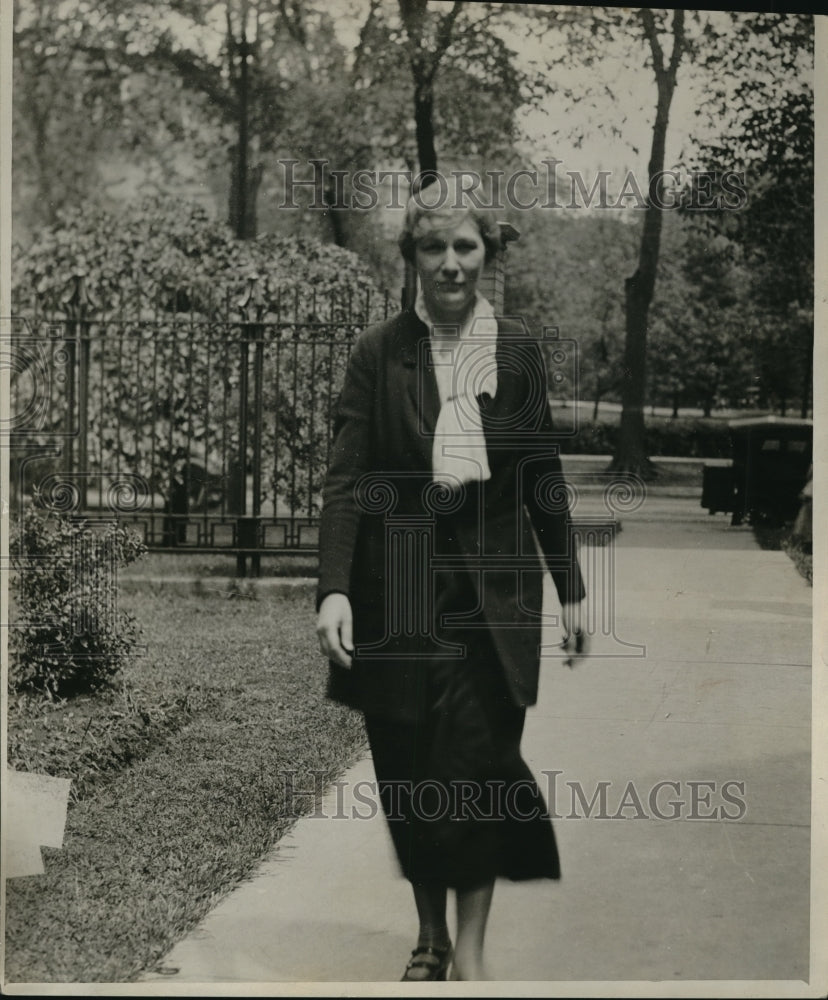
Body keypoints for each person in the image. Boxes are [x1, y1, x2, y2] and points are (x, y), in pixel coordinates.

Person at [316, 175, 588, 981]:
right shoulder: (378, 353)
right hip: (397, 593)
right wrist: (333, 586)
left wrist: (570, 588)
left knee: (477, 767)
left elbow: (542, 476)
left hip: (493, 600)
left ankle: (468, 950)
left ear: (487, 254)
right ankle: (428, 932)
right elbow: (345, 476)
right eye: (432, 247)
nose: (449, 263)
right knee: (409, 769)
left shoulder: (518, 352)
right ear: (411, 257)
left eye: (464, 246)